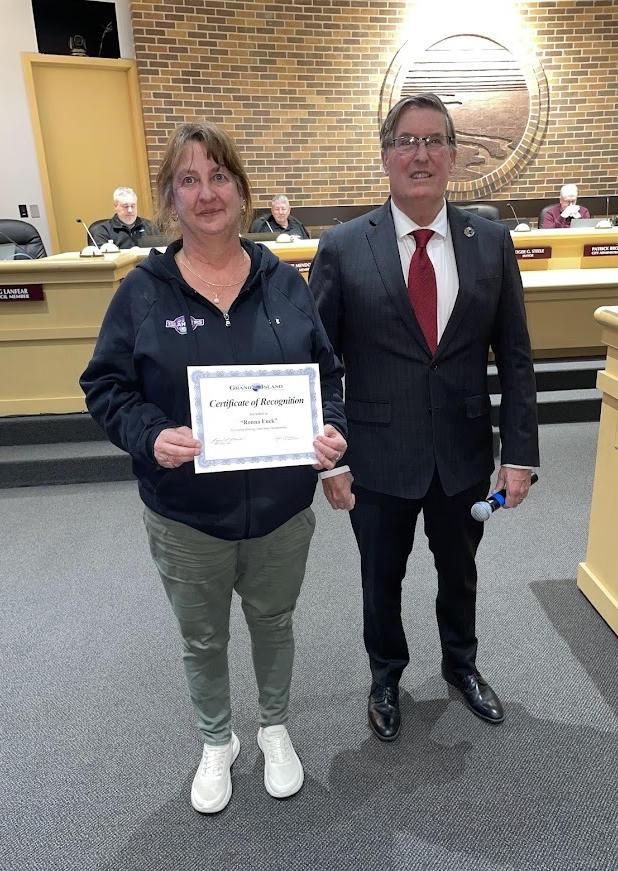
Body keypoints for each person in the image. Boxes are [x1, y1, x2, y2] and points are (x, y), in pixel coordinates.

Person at [80, 121, 347, 813]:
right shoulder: (143, 291)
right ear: (170, 197)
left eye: (220, 177)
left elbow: (327, 375)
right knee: (202, 637)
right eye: (189, 180)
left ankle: (274, 727)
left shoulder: (283, 282)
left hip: (281, 510)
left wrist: (332, 433)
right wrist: (150, 435)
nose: (207, 193)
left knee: (274, 621)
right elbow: (105, 386)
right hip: (186, 515)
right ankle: (216, 738)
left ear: (241, 190)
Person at [309, 92, 539, 743]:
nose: (421, 154)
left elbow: (515, 356)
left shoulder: (490, 242)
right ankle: (385, 676)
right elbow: (317, 360)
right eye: (406, 141)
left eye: (434, 140)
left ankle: (461, 665)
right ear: (386, 156)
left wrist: (520, 454)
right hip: (376, 455)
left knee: (460, 573)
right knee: (380, 577)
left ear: (453, 156)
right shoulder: (343, 246)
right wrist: (331, 457)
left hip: (463, 451)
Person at [89, 187, 159, 248]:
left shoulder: (150, 227)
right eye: (125, 206)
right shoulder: (104, 230)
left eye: (133, 206)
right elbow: (100, 256)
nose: (130, 210)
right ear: (115, 206)